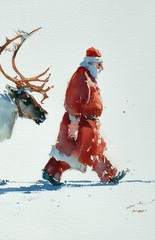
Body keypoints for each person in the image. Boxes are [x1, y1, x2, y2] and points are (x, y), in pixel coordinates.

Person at [42, 47, 126, 185]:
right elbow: (72, 100)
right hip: (81, 122)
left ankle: (51, 171)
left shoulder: (87, 76)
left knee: (86, 150)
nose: (101, 68)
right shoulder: (82, 77)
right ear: (91, 63)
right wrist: (74, 119)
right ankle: (108, 175)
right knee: (83, 151)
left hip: (87, 122)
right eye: (99, 65)